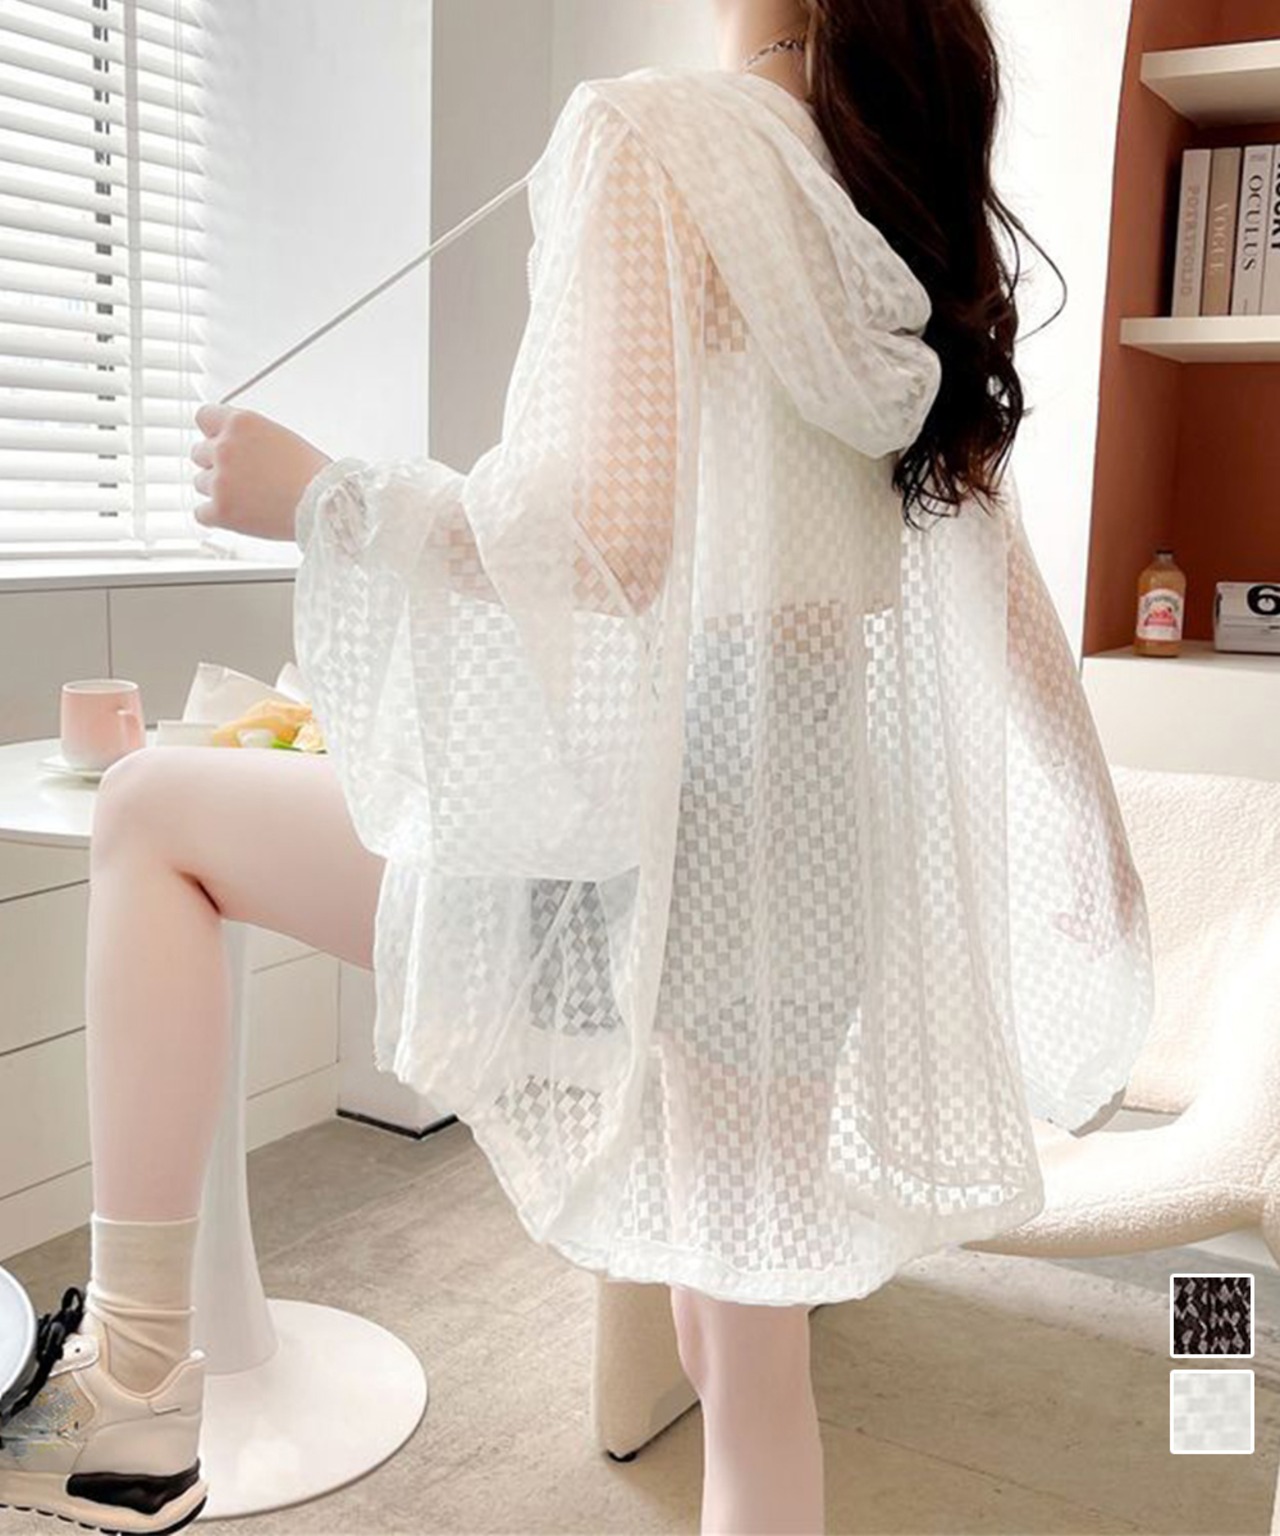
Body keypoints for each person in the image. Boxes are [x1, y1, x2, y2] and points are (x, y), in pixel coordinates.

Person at [0, 2, 1155, 1534]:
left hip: (652, 834)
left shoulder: (655, 136)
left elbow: (603, 538)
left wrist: (321, 496)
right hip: (815, 847)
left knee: (151, 806)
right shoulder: (891, 190)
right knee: (745, 1360)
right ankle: (136, 1407)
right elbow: (998, 573)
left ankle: (133, 1400)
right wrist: (1098, 848)